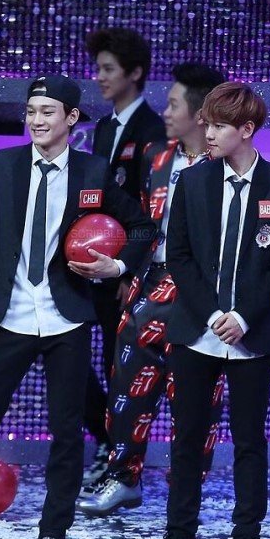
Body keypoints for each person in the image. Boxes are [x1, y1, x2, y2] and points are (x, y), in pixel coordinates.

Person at [0, 74, 156, 539]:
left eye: (48, 112)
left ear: (71, 118)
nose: (37, 120)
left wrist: (117, 267)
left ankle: (52, 536)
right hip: (11, 314)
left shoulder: (93, 171)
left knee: (66, 433)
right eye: (31, 112)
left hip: (67, 317)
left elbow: (142, 226)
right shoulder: (3, 167)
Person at [158, 82, 270, 539]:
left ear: (246, 129)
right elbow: (178, 256)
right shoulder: (191, 180)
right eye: (207, 122)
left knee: (249, 441)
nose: (208, 132)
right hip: (197, 330)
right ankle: (180, 537)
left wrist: (242, 317)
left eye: (219, 125)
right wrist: (213, 314)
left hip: (252, 334)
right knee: (187, 437)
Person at [78, 63, 225, 533]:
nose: (165, 111)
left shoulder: (226, 166)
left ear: (199, 114)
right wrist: (126, 268)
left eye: (174, 104)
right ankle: (124, 477)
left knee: (195, 401)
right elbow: (144, 223)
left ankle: (186, 500)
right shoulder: (157, 157)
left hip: (202, 291)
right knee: (126, 386)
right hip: (151, 282)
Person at [83, 28, 166, 484]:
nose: (99, 77)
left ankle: (118, 460)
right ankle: (104, 439)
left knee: (121, 369)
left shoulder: (154, 131)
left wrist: (127, 271)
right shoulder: (102, 128)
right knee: (72, 360)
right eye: (97, 68)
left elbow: (151, 212)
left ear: (135, 73)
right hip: (91, 265)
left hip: (128, 273)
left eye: (108, 69)